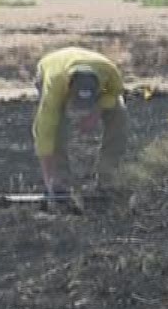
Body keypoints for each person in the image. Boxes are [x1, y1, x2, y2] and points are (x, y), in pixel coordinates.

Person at [32, 46, 129, 199]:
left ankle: (108, 178)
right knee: (55, 125)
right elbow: (44, 132)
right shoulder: (55, 84)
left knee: (119, 114)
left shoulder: (109, 71)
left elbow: (115, 92)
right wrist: (49, 178)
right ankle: (59, 183)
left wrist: (96, 112)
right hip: (51, 66)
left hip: (93, 69)